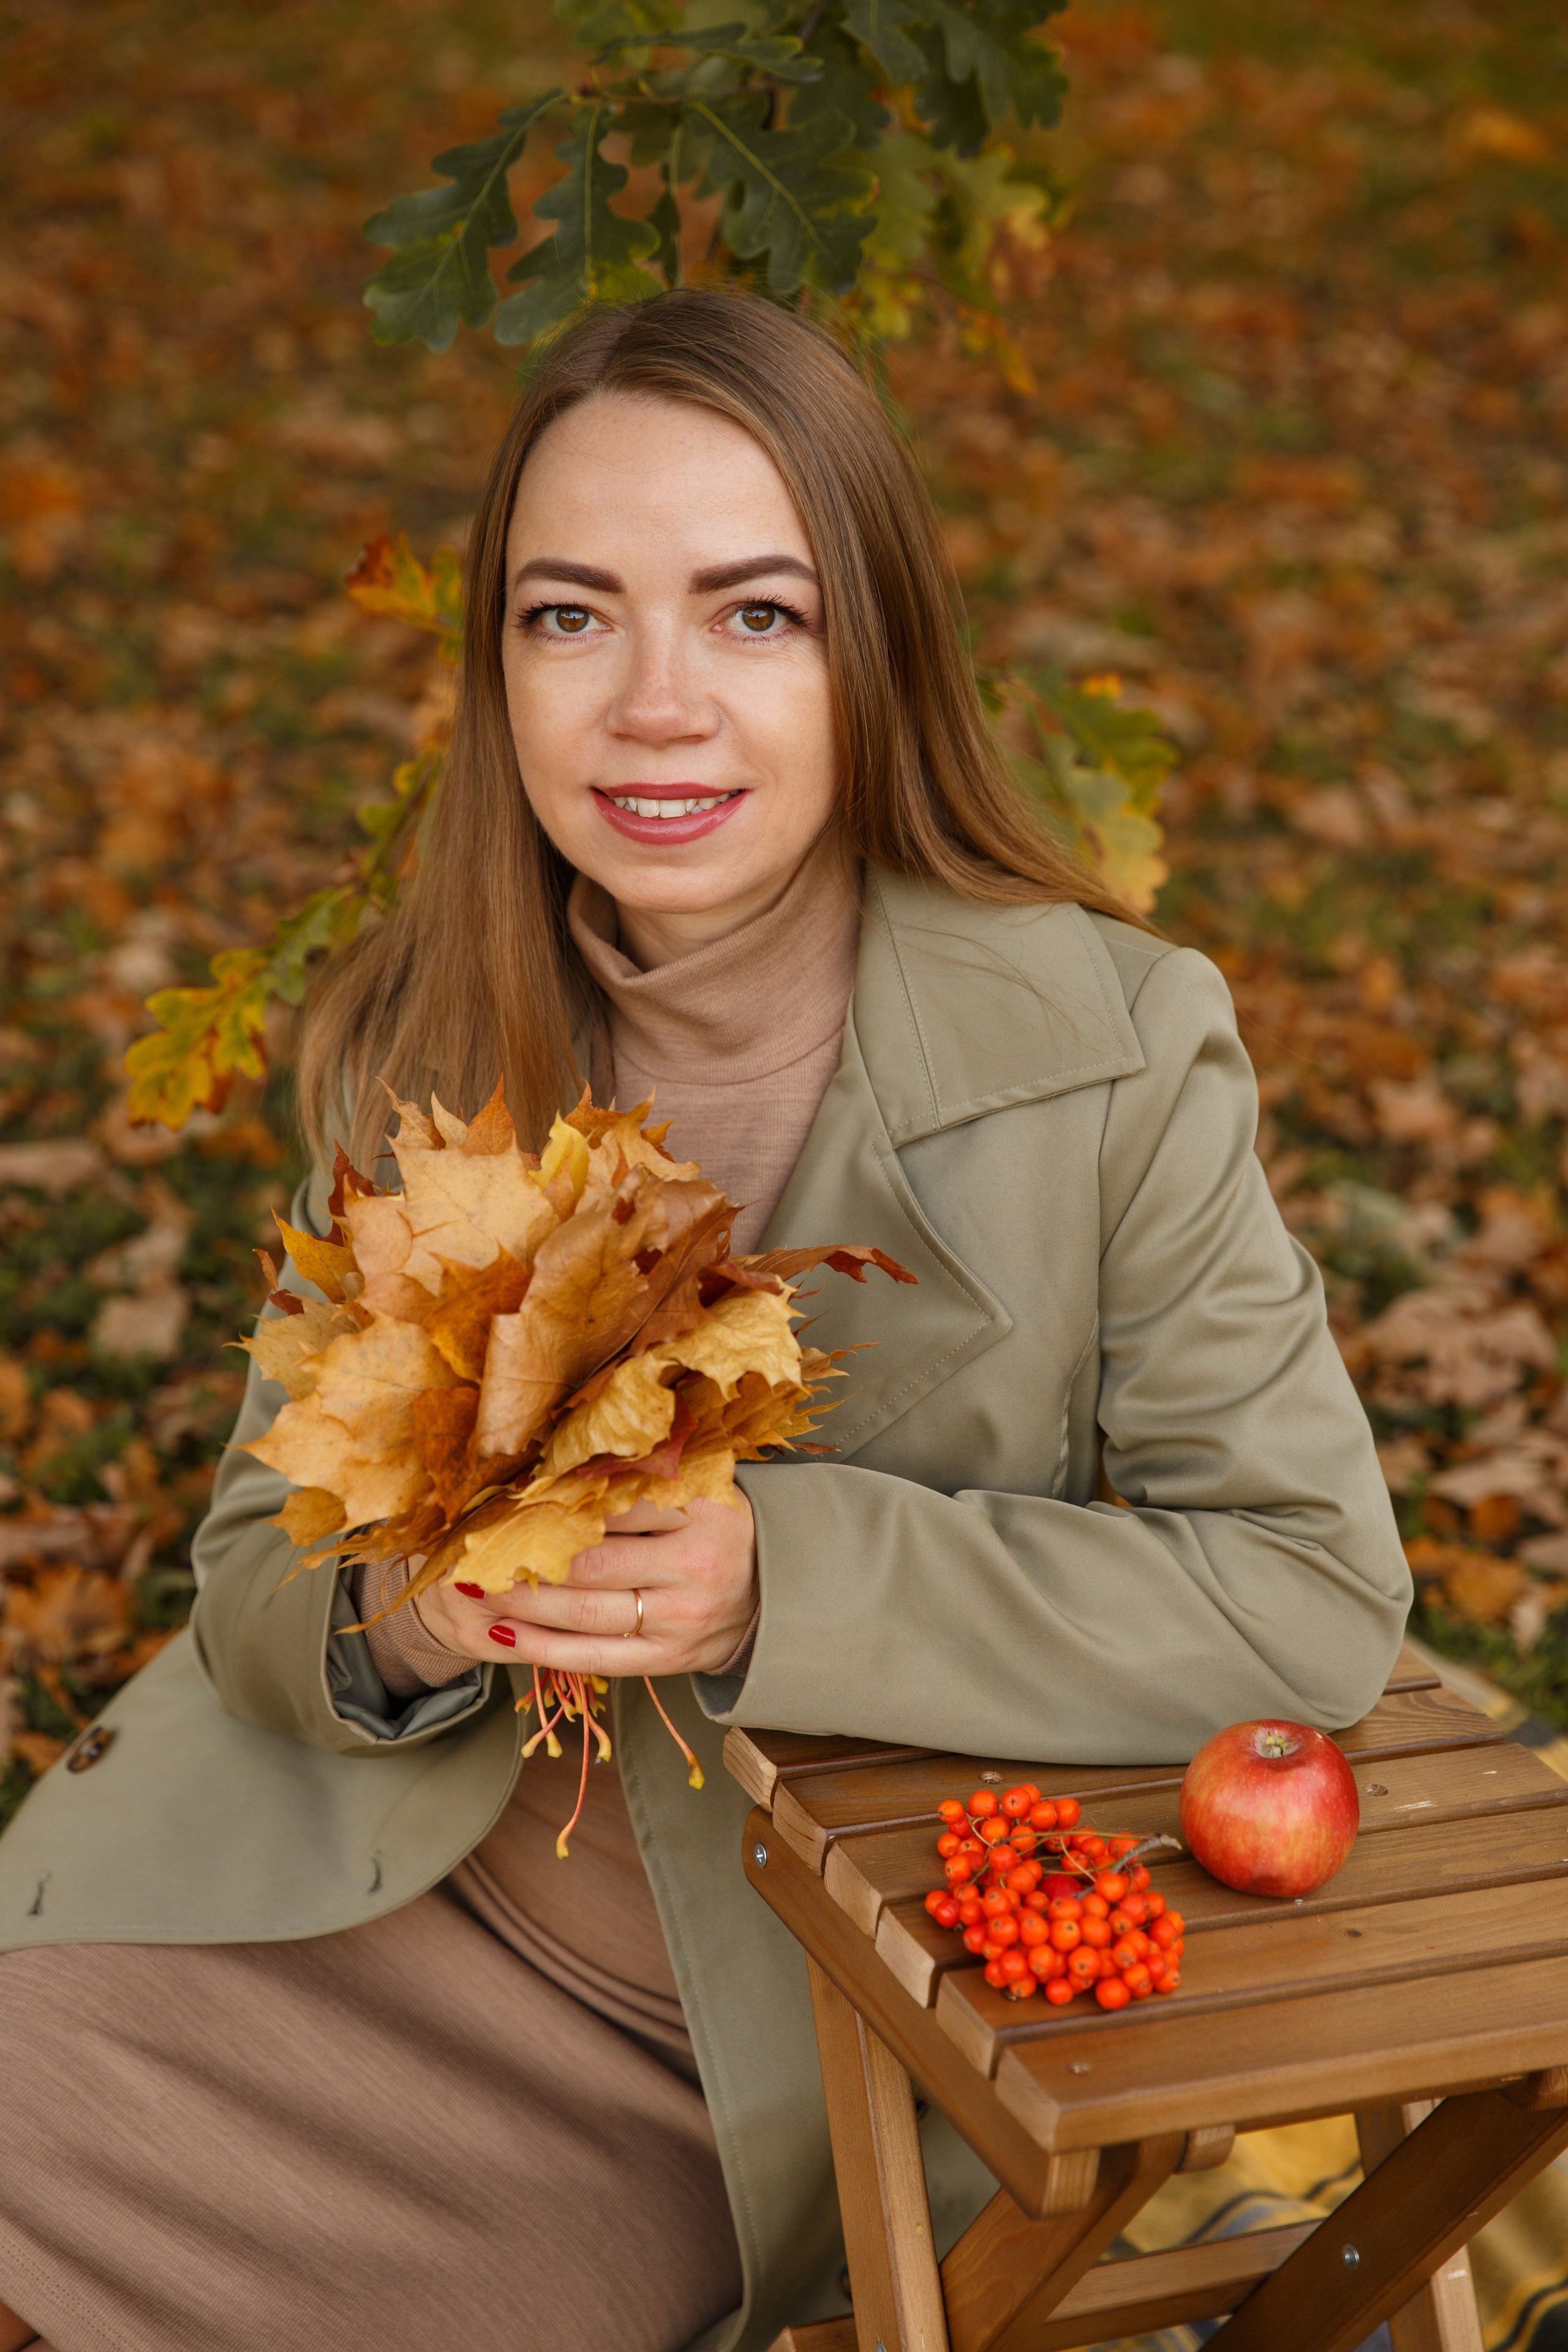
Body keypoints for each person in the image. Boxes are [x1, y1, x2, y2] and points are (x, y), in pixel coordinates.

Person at [0, 288, 1411, 2352]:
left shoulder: (1111, 1048)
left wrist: (781, 1575)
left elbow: (1307, 1598)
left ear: (874, 651)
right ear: (502, 671)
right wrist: (406, 1618)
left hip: (742, 2049)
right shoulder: (423, 1039)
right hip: (314, 1913)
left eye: (754, 615)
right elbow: (251, 1579)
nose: (655, 704)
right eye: (573, 616)